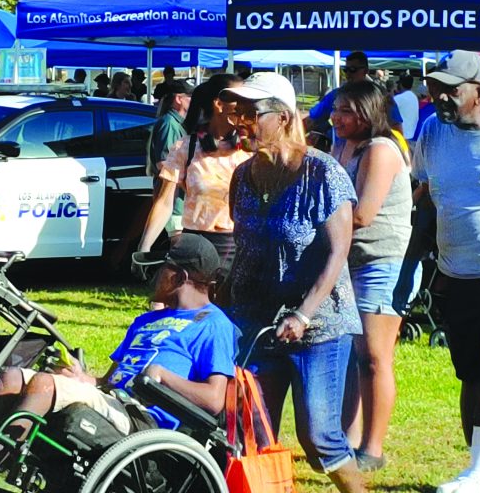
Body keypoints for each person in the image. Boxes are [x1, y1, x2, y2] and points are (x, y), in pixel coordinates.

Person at [0, 233, 237, 492]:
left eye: (162, 270)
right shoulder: (146, 321)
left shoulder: (213, 325)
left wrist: (162, 377)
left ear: (179, 278)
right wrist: (87, 379)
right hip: (114, 402)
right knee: (9, 377)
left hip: (144, 422)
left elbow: (215, 400)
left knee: (43, 385)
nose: (153, 276)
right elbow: (109, 381)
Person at [224, 73, 365, 492]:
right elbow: (243, 248)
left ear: (283, 118)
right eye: (237, 112)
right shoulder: (243, 177)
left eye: (251, 113)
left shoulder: (323, 173)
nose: (239, 123)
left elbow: (338, 253)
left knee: (320, 438)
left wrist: (303, 313)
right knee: (249, 433)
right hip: (257, 321)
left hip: (319, 324)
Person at [411, 51, 480, 493]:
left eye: (451, 89)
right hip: (455, 270)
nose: (439, 96)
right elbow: (428, 194)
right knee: (469, 370)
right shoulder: (433, 130)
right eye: (435, 87)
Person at [331, 80, 414, 472]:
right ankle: (347, 440)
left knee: (375, 358)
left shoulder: (381, 149)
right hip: (352, 260)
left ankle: (373, 448)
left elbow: (362, 214)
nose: (336, 117)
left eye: (346, 110)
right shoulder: (343, 144)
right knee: (352, 355)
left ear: (368, 113)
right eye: (335, 109)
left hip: (384, 261)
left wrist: (318, 227)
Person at [137, 74, 247, 281]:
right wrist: (144, 247)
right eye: (239, 99)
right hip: (193, 243)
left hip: (236, 244)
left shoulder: (251, 149)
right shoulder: (186, 147)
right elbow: (164, 202)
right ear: (219, 104)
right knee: (180, 307)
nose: (245, 105)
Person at [307, 52, 404, 150]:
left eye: (353, 70)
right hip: (340, 154)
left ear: (365, 70)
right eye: (346, 70)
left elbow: (397, 129)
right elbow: (310, 120)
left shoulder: (381, 97)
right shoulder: (336, 95)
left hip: (371, 152)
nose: (348, 74)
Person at [145, 79, 194, 238]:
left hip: (177, 199)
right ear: (179, 99)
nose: (193, 101)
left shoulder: (175, 123)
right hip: (173, 201)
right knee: (177, 249)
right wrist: (189, 186)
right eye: (189, 97)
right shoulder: (169, 124)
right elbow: (163, 164)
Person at [394, 74, 419, 143]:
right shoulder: (414, 97)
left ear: (401, 84)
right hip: (413, 137)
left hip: (401, 138)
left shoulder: (399, 98)